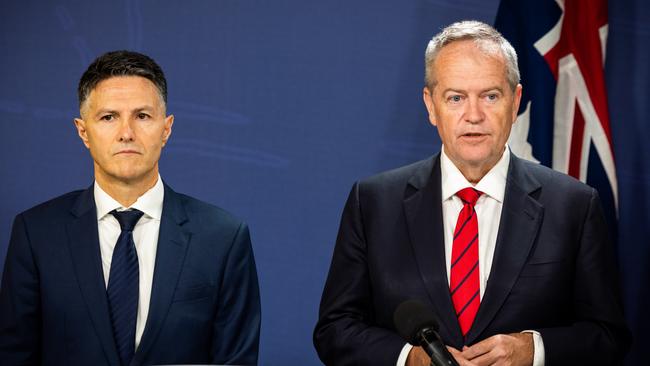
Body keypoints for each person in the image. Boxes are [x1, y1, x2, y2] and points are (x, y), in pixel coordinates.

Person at [313, 20, 630, 366]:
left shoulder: (574, 206)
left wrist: (533, 350)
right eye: (455, 98)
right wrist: (409, 359)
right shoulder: (373, 203)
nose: (474, 115)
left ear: (515, 101)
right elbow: (335, 329)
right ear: (431, 105)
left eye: (490, 96)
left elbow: (609, 336)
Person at [0, 50, 261, 365]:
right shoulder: (36, 233)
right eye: (108, 117)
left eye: (142, 116)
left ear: (166, 129)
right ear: (83, 131)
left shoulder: (223, 237)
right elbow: (13, 355)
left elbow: (237, 360)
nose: (126, 133)